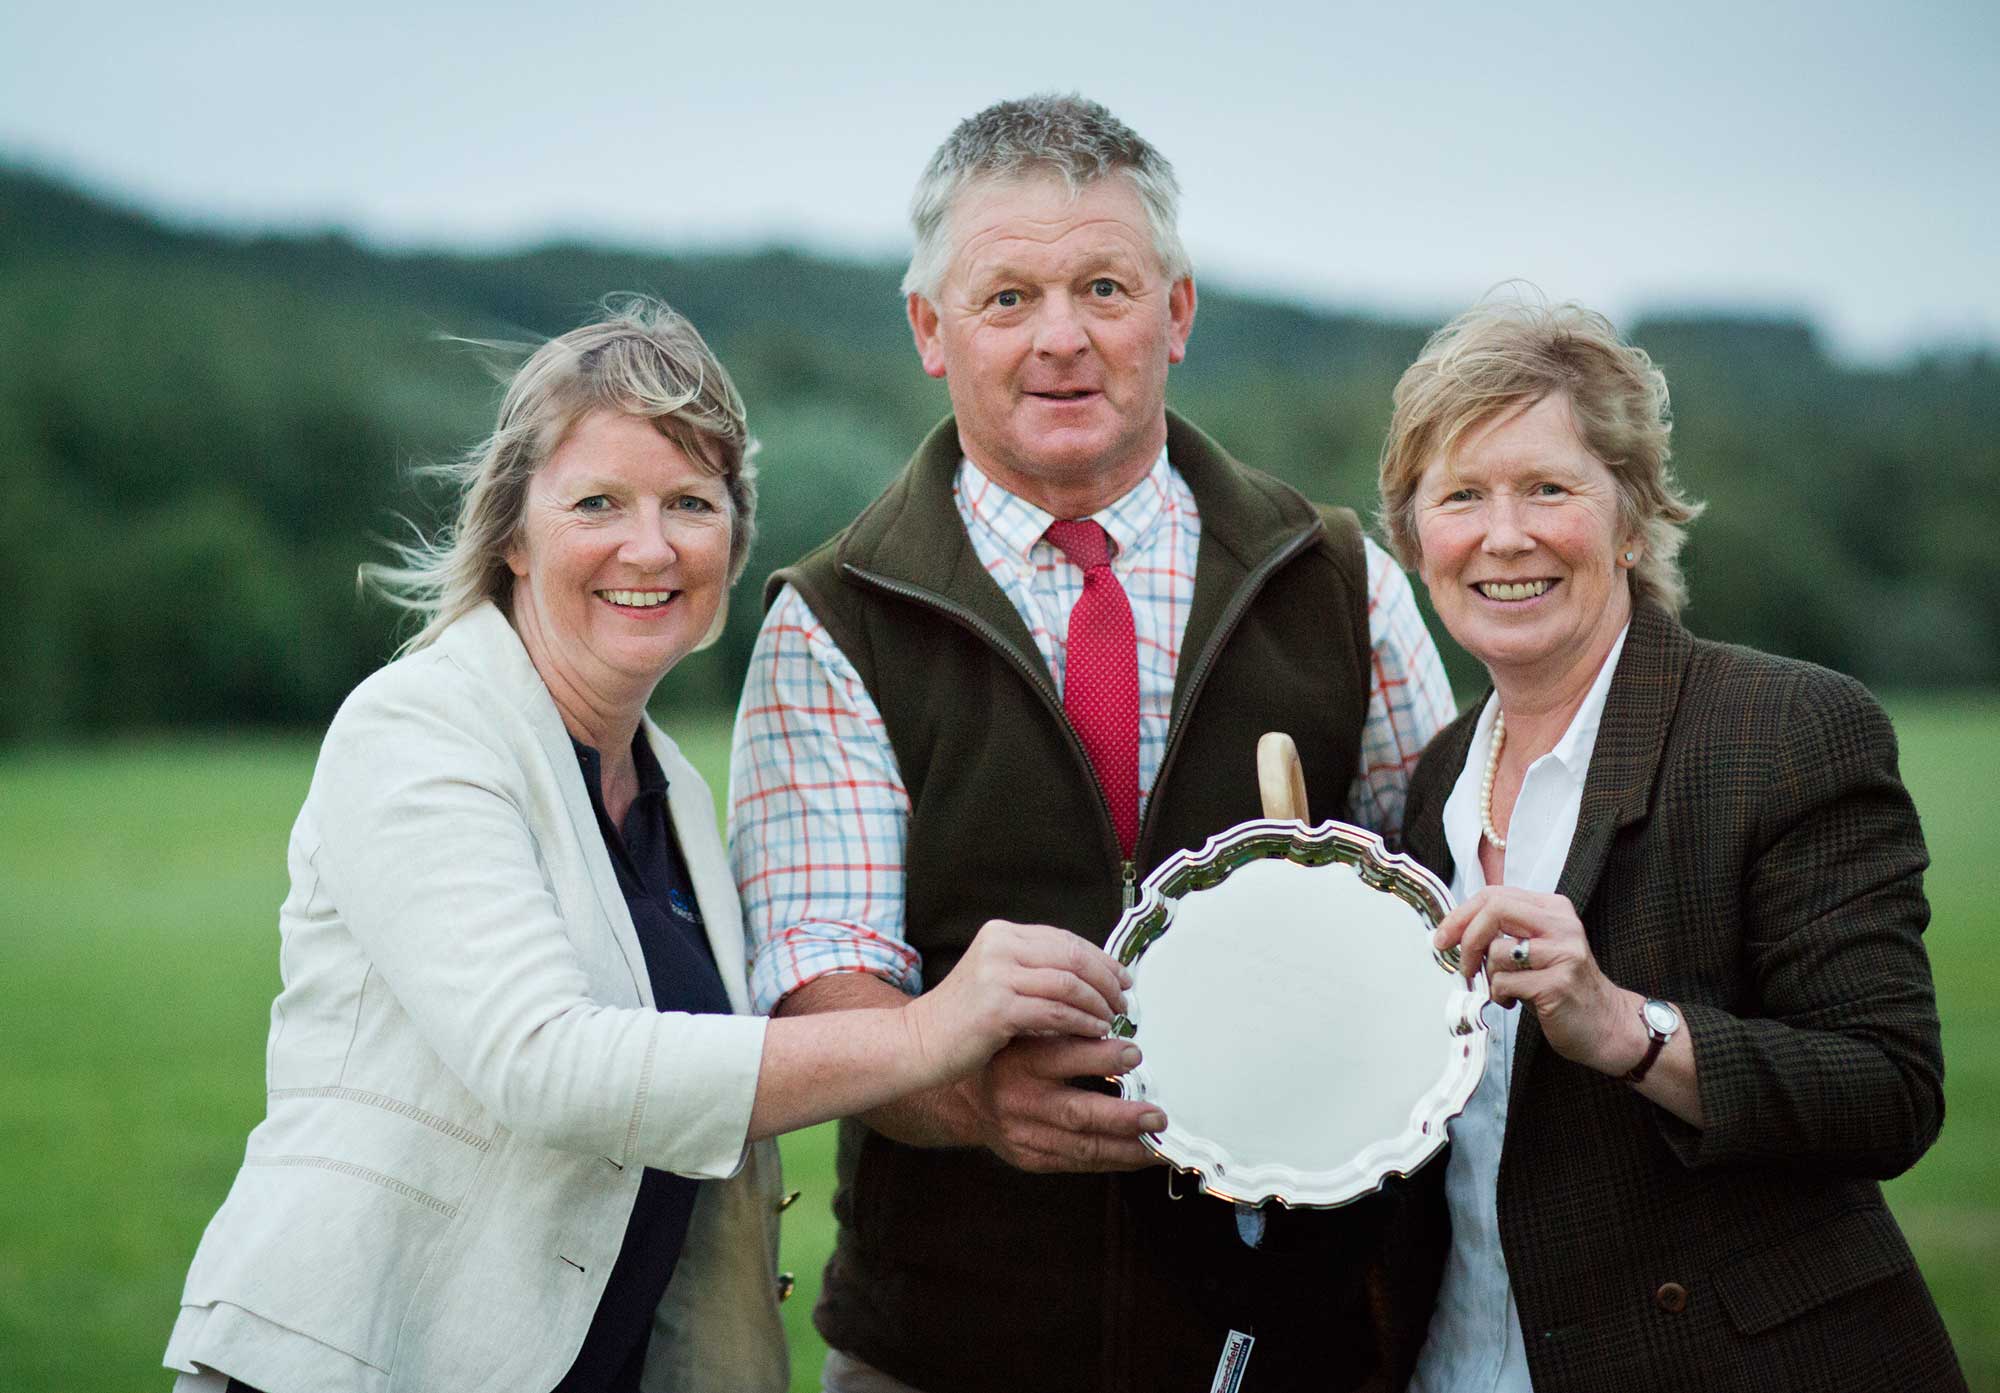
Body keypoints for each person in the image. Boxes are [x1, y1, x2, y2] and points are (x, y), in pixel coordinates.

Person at [163, 299, 1131, 1393]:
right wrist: (925, 1034)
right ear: (514, 536)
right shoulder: (418, 726)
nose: (650, 546)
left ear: (733, 536)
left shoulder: (667, 788)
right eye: (597, 503)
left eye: (689, 503)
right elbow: (546, 1061)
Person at [728, 96, 1456, 1393]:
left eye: (1104, 287)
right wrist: (972, 1099)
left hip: (1304, 1345)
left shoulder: (1341, 578)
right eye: (1007, 297)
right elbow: (822, 989)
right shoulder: (833, 619)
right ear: (930, 331)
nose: (1060, 338)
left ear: (1175, 313)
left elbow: (1443, 916)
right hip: (951, 1354)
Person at [1376, 299, 1965, 1391]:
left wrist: (1625, 1029)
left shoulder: (1785, 728)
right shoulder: (1432, 782)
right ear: (1416, 540)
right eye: (1460, 495)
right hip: (1462, 1361)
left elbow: (1888, 1089)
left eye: (1547, 488)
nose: (1503, 535)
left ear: (1633, 518)